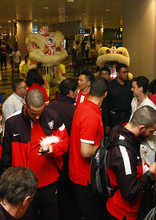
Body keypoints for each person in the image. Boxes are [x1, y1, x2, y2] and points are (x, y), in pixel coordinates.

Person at [3, 89, 69, 220]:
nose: (38, 117)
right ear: (25, 105)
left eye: (40, 112)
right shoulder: (12, 123)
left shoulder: (52, 116)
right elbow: (7, 157)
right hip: (24, 184)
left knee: (51, 215)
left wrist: (53, 148)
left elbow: (65, 141)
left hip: (49, 182)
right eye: (34, 113)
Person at [106, 106, 156, 220]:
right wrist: (150, 173)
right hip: (122, 212)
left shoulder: (120, 129)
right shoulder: (124, 152)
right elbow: (130, 193)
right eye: (151, 131)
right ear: (141, 128)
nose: (151, 135)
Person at [68, 77, 108, 220]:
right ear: (105, 94)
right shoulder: (91, 115)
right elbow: (85, 151)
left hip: (78, 171)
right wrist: (105, 148)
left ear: (90, 90)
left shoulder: (84, 106)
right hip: (85, 176)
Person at [47, 78, 78, 220]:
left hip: (52, 155)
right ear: (71, 92)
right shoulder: (74, 110)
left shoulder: (50, 107)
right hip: (69, 155)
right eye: (76, 91)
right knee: (67, 191)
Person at [130, 76, 156, 165]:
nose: (131, 89)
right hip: (136, 141)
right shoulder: (134, 101)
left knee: (148, 168)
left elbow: (155, 130)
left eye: (133, 87)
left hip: (148, 144)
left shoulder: (149, 106)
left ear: (140, 89)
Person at [102, 63, 133, 135]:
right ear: (118, 73)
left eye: (127, 72)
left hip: (127, 118)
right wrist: (106, 124)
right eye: (124, 72)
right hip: (114, 119)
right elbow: (105, 106)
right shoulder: (110, 86)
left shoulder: (130, 85)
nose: (126, 74)